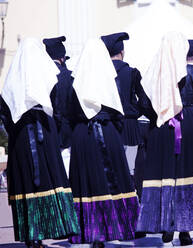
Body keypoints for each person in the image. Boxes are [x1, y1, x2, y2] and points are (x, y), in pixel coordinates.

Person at [0, 38, 80, 248]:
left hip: (21, 138)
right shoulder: (47, 77)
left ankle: (31, 235)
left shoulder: (11, 82)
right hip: (44, 133)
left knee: (26, 183)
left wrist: (16, 133)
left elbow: (5, 114)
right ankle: (44, 231)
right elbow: (56, 106)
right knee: (47, 180)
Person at [136, 32, 193, 246]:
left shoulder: (155, 73)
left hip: (162, 128)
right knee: (188, 176)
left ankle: (166, 225)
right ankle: (185, 229)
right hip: (191, 127)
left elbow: (143, 103)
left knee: (165, 176)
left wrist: (159, 115)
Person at [67, 39, 139, 248]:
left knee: (87, 183)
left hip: (83, 135)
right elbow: (118, 112)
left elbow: (70, 112)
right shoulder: (110, 80)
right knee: (113, 179)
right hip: (107, 133)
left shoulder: (75, 82)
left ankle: (92, 231)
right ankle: (114, 227)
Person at [101, 32, 151, 182]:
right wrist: (136, 111)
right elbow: (144, 100)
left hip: (108, 125)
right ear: (122, 52)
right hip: (129, 125)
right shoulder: (132, 73)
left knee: (110, 167)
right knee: (129, 169)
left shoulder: (101, 73)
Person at [43, 36, 74, 176]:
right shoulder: (67, 75)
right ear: (62, 58)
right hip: (65, 129)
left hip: (45, 127)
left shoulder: (40, 74)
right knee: (65, 166)